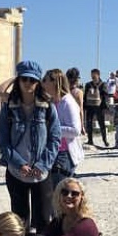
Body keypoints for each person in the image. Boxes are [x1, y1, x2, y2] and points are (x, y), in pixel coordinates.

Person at [0, 61, 61, 234]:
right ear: (18, 80)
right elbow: (3, 142)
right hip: (16, 172)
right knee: (19, 221)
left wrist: (42, 165)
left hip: (41, 173)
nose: (27, 83)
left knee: (44, 220)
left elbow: (54, 139)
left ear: (38, 82)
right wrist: (19, 164)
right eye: (24, 79)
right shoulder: (8, 108)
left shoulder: (48, 108)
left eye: (32, 80)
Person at [43, 67, 85, 195]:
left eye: (45, 80)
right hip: (52, 152)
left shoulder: (67, 102)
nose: (42, 83)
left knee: (59, 195)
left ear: (55, 82)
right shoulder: (52, 101)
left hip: (64, 155)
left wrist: (52, 128)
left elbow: (75, 130)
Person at [83, 68, 110, 148]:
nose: (92, 77)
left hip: (99, 106)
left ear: (98, 75)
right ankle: (90, 140)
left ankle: (105, 140)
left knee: (101, 124)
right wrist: (84, 105)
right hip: (90, 106)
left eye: (94, 75)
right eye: (91, 75)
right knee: (89, 123)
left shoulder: (103, 84)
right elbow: (85, 96)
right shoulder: (88, 84)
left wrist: (105, 106)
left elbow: (105, 95)